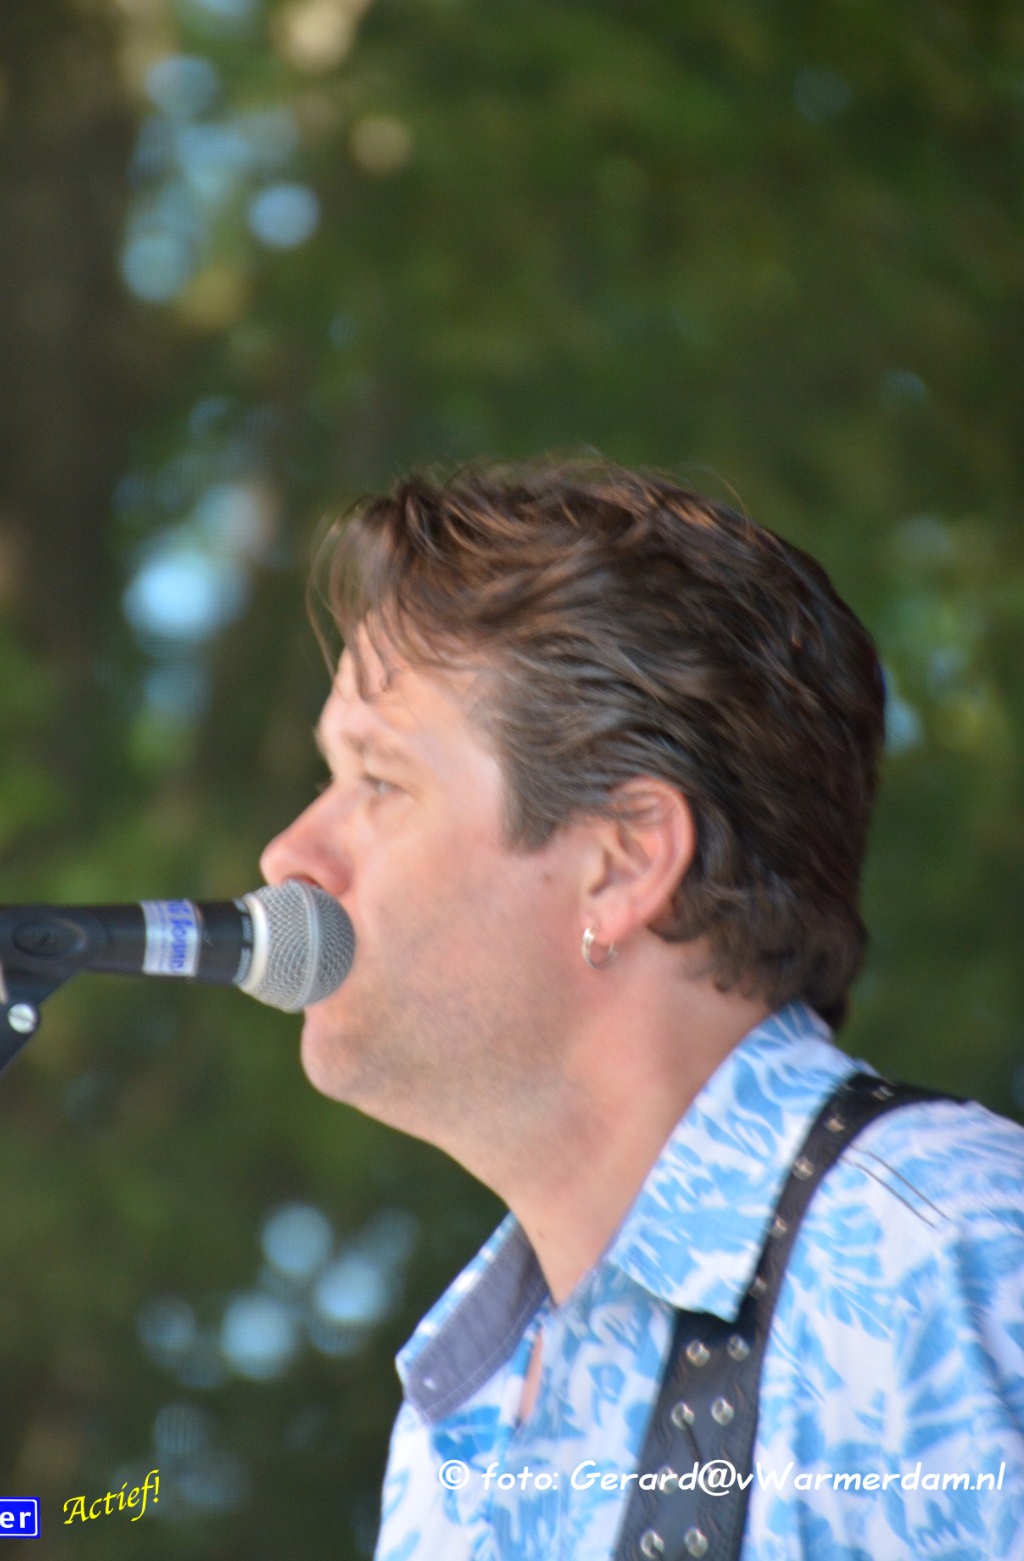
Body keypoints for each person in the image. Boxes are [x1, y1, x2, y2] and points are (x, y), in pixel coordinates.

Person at [259, 458, 1024, 1561]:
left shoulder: (951, 1254)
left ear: (622, 864)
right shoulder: (456, 1420)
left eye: (379, 783)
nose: (292, 852)